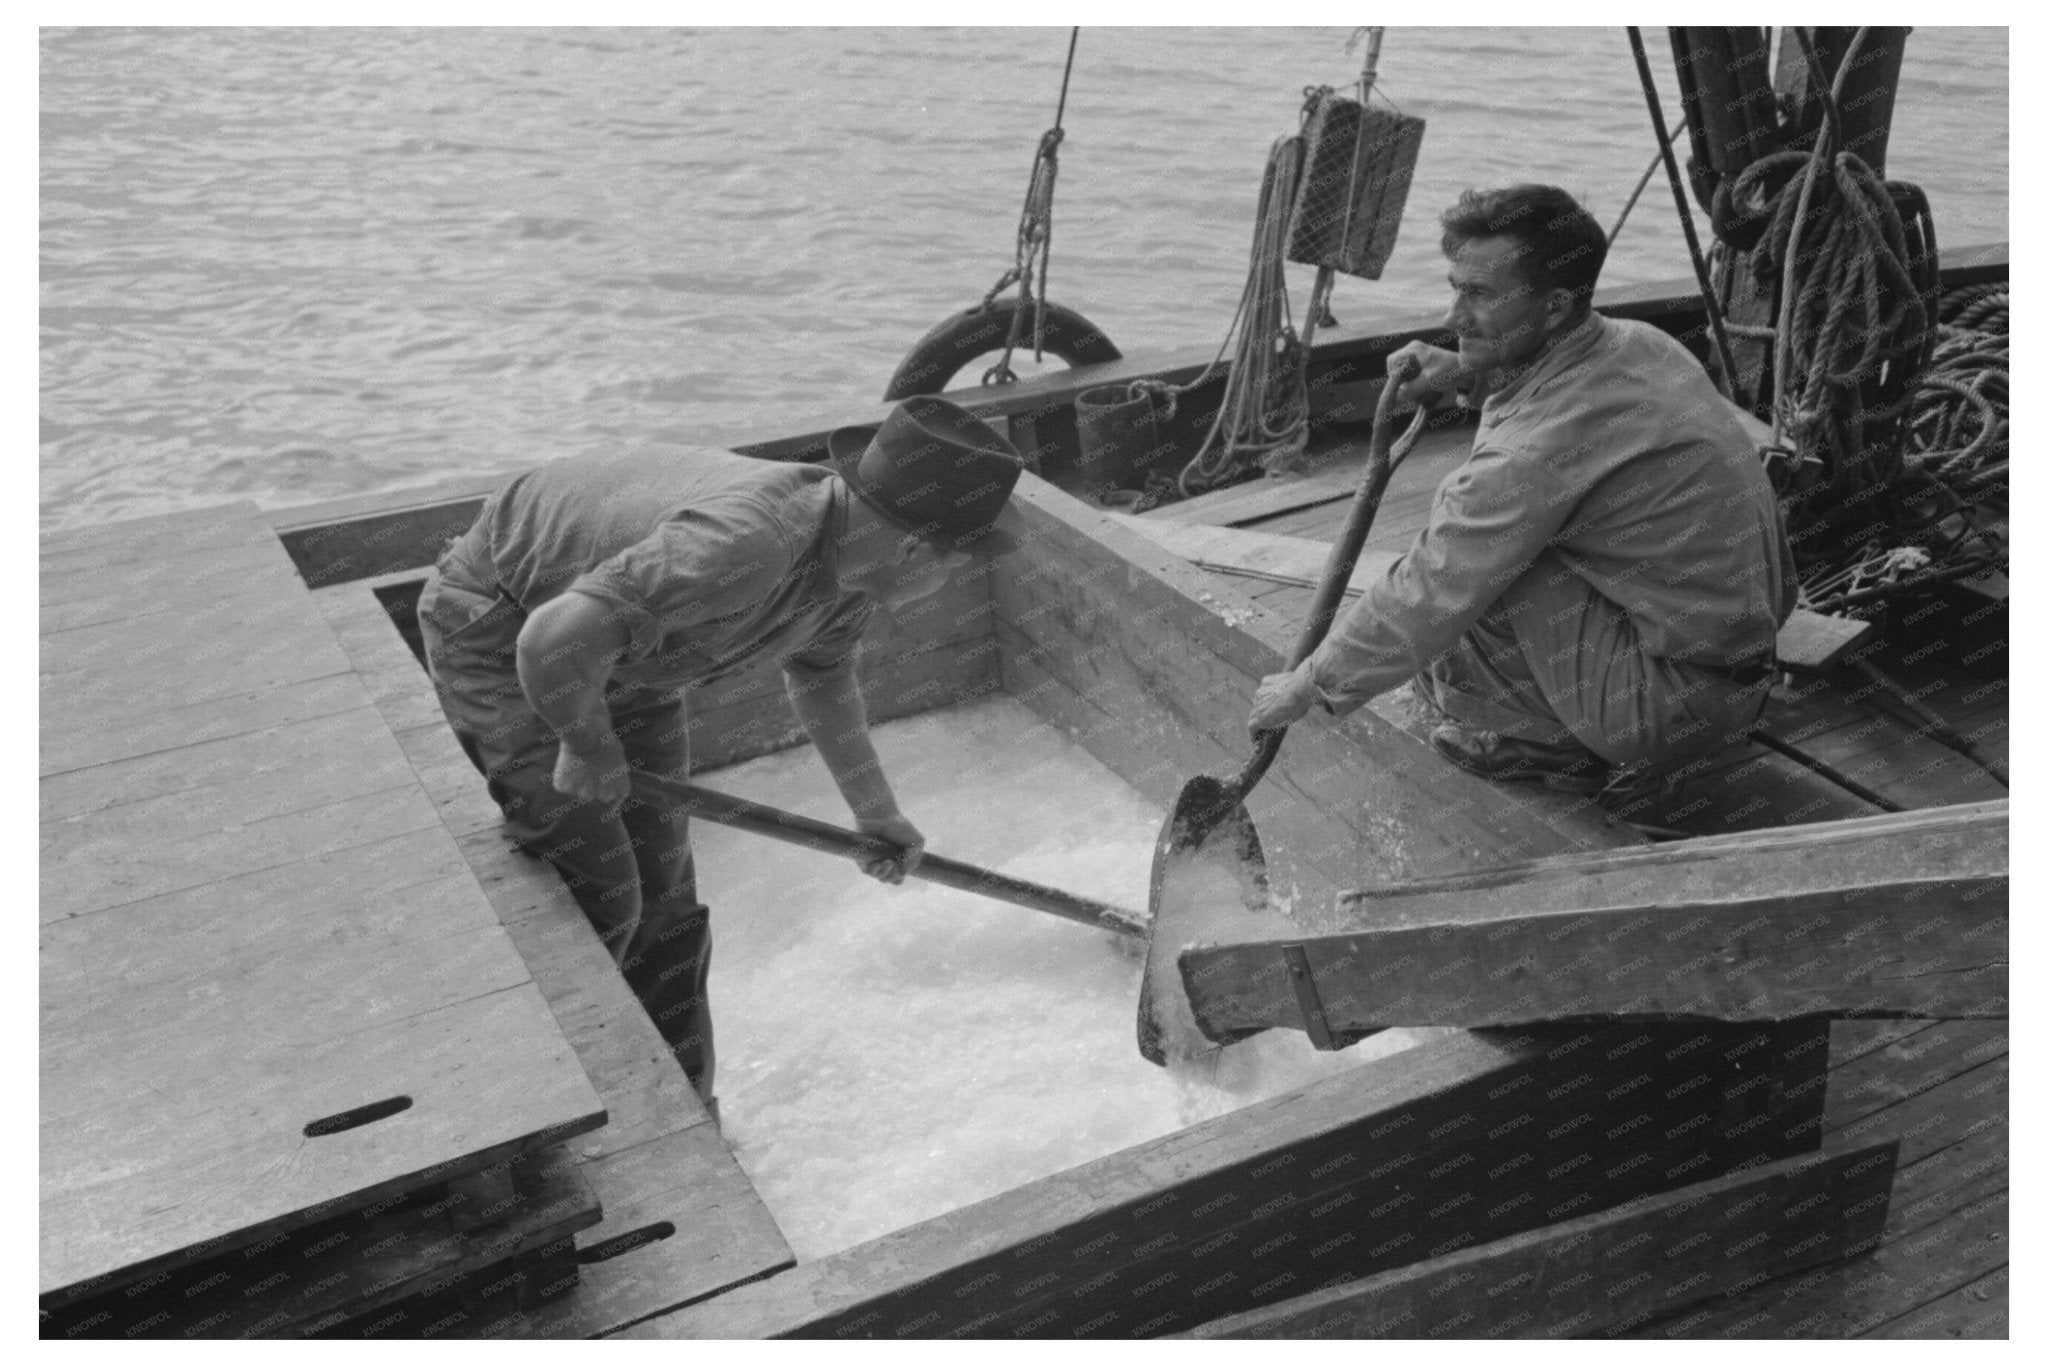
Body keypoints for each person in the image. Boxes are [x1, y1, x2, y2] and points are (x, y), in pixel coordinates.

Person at [419, 395, 1026, 1107]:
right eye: (958, 564)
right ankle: (534, 1110)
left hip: (628, 660)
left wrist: (876, 813)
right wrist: (586, 742)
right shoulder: (749, 544)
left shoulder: (856, 567)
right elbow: (551, 639)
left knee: (668, 905)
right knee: (598, 888)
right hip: (504, 625)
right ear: (915, 548)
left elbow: (825, 685)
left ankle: (680, 1106)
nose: (951, 580)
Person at [1248, 184, 1794, 810]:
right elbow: (1572, 406)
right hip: (1740, 671)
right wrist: (1464, 368)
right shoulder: (1641, 343)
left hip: (1665, 712)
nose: (1453, 319)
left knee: (1482, 562)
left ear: (1557, 304)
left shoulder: (1526, 460)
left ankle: (1545, 748)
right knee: (1499, 539)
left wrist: (1312, 684)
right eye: (1457, 287)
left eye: (1479, 296)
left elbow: (1432, 586)